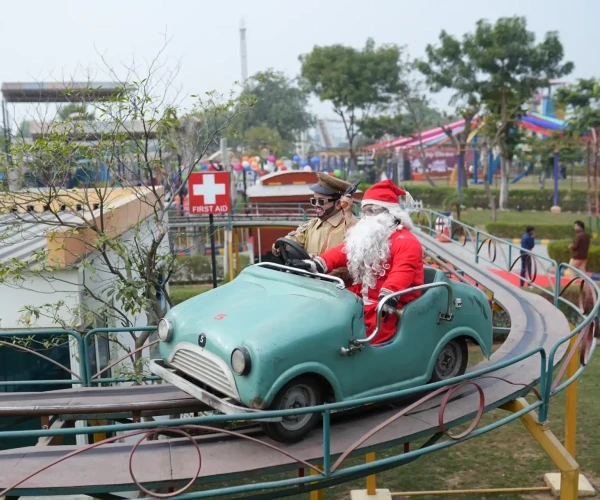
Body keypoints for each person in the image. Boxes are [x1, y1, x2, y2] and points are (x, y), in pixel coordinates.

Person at [294, 180, 424, 345]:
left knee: (365, 337)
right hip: (364, 296)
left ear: (390, 213)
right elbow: (345, 250)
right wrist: (318, 263)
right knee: (329, 313)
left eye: (374, 210)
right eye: (365, 211)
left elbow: (404, 270)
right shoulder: (370, 236)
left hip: (389, 305)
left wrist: (389, 294)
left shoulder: (406, 241)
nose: (369, 216)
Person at [272, 173, 357, 276]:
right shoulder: (310, 225)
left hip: (336, 286)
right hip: (310, 283)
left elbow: (357, 242)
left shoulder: (349, 225)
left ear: (339, 204)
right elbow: (295, 238)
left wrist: (347, 211)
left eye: (321, 201)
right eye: (314, 200)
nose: (316, 205)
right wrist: (280, 246)